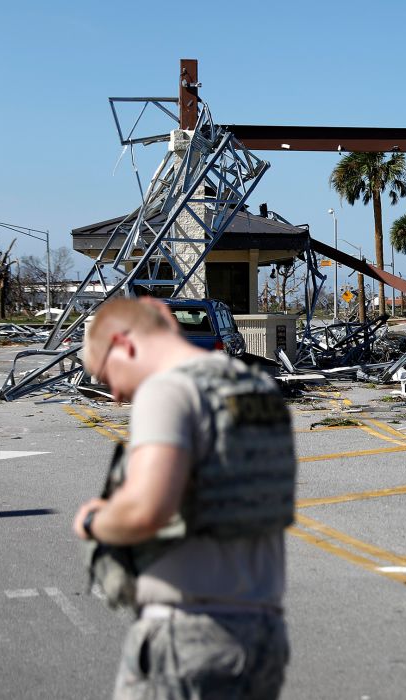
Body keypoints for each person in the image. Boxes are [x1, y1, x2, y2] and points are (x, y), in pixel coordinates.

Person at [73, 297, 295, 699]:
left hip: (188, 638)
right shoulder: (256, 386)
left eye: (106, 377)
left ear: (124, 344)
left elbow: (147, 510)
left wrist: (94, 520)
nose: (117, 394)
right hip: (262, 634)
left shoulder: (169, 390)